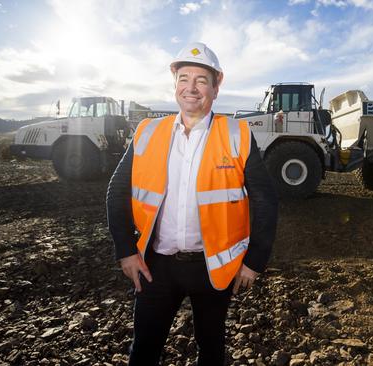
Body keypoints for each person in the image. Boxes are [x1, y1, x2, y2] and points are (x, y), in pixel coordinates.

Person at [106, 42, 278, 365]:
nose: (191, 88)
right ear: (175, 85)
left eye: (201, 80)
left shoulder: (237, 134)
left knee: (211, 349)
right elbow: (116, 191)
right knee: (143, 350)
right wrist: (125, 250)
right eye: (184, 78)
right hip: (156, 266)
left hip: (212, 268)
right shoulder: (147, 132)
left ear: (217, 84)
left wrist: (254, 261)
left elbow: (266, 200)